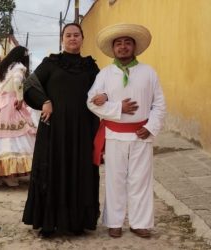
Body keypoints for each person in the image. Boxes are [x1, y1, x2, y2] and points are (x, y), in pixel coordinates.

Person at [87, 23, 166, 238]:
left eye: (127, 43)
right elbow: (91, 102)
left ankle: (140, 222)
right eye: (119, 43)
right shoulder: (104, 74)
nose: (123, 47)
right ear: (113, 48)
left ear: (134, 47)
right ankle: (114, 221)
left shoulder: (148, 72)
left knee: (140, 179)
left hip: (141, 135)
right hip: (114, 135)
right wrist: (117, 107)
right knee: (115, 179)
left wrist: (150, 127)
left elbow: (159, 104)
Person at [22, 23, 100, 237]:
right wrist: (44, 101)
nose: (73, 38)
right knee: (51, 169)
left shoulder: (90, 67)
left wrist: (105, 98)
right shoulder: (51, 63)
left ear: (83, 38)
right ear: (62, 39)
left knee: (79, 169)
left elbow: (103, 90)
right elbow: (30, 84)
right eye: (68, 35)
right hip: (54, 128)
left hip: (82, 130)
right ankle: (49, 222)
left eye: (76, 35)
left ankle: (76, 222)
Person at [0, 46, 36, 187]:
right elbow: (17, 82)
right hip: (11, 104)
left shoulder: (0, 67)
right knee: (14, 139)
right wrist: (20, 98)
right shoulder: (19, 67)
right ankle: (10, 174)